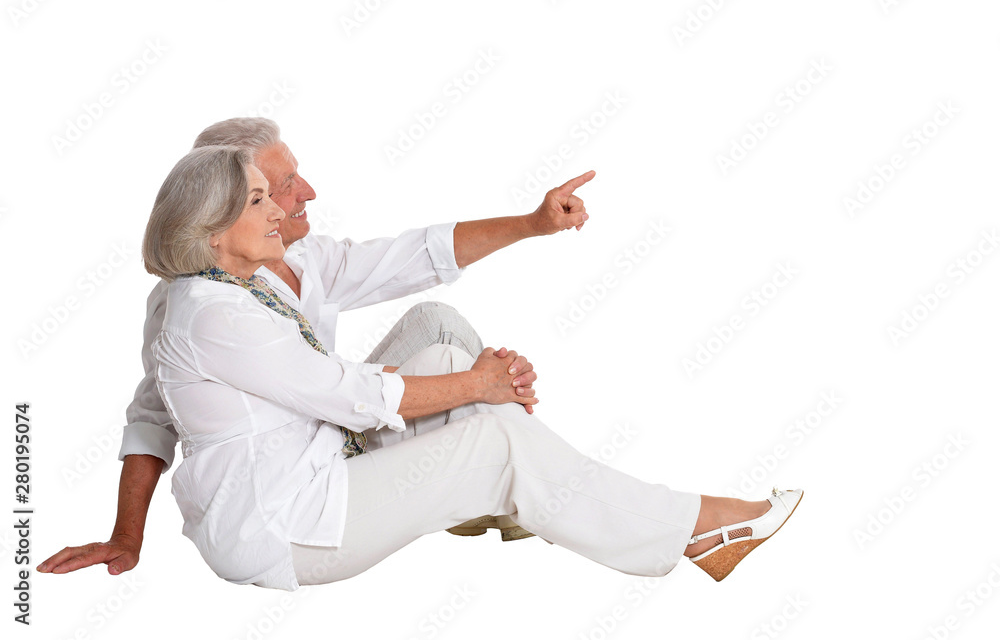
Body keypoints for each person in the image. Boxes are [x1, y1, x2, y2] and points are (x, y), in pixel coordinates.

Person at [42, 145, 802, 590]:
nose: (287, 207)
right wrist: (482, 386)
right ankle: (687, 529)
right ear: (211, 230)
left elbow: (413, 256)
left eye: (277, 192)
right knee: (495, 436)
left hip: (312, 466)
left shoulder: (246, 279)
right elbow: (344, 393)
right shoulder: (210, 312)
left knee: (441, 342)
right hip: (280, 527)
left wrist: (531, 224)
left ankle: (530, 494)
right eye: (262, 198)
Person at [39, 114, 591, 578]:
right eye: (277, 187)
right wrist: (126, 536)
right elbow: (152, 418)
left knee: (437, 325)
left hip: (336, 422)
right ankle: (530, 488)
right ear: (225, 207)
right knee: (465, 387)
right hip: (291, 477)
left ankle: (509, 493)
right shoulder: (192, 303)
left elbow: (417, 254)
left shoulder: (303, 258)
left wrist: (532, 223)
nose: (306, 193)